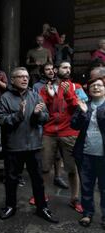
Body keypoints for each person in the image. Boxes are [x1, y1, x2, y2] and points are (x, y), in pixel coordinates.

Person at [0, 67, 58, 223]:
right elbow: (1, 120)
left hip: (33, 145)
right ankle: (10, 206)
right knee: (11, 179)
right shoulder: (5, 98)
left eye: (26, 76)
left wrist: (37, 115)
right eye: (21, 76)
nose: (25, 79)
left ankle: (42, 207)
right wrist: (18, 115)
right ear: (13, 79)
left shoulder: (35, 96)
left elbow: (46, 117)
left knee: (37, 179)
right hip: (13, 147)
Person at [38, 61, 83, 213]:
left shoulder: (77, 87)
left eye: (70, 67)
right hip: (49, 133)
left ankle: (74, 198)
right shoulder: (46, 88)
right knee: (44, 167)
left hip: (69, 133)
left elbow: (81, 108)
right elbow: (41, 109)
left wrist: (68, 93)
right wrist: (50, 97)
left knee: (72, 169)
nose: (68, 70)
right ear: (57, 70)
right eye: (65, 67)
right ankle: (41, 196)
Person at [72, 78, 105, 229]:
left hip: (103, 154)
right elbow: (74, 125)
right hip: (85, 153)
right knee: (86, 185)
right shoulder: (84, 105)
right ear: (88, 90)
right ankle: (87, 213)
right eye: (93, 86)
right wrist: (83, 112)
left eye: (99, 85)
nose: (96, 88)